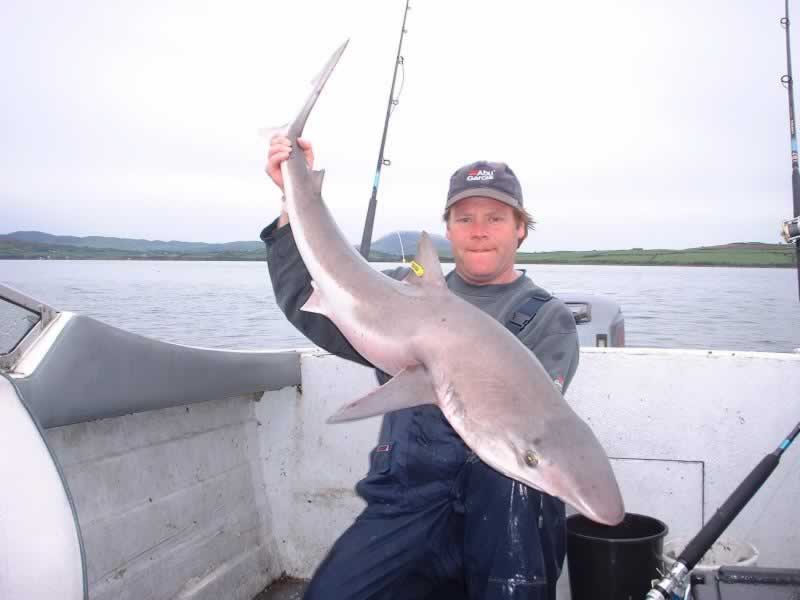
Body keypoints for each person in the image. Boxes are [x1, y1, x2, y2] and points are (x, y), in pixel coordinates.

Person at [261, 135, 580, 600]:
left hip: (501, 502)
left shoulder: (547, 319)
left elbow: (539, 430)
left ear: (520, 230)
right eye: (465, 218)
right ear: (448, 230)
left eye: (495, 218)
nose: (479, 230)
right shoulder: (399, 295)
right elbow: (310, 303)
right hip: (409, 500)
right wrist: (292, 196)